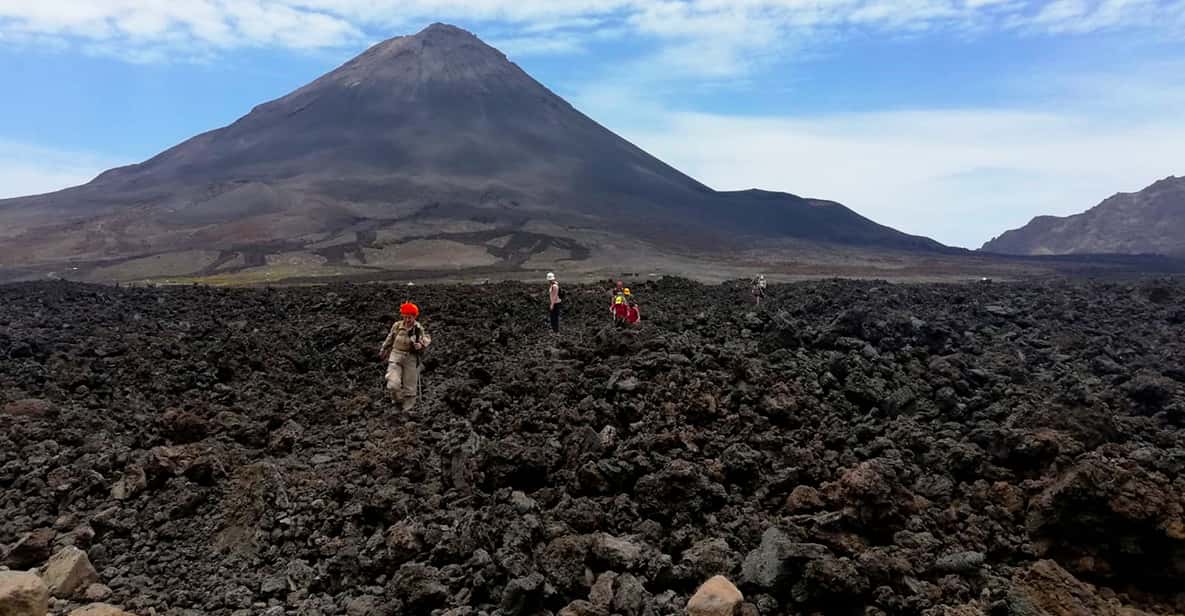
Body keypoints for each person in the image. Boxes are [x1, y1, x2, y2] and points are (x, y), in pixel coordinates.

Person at [379, 302, 432, 411]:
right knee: (393, 383)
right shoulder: (397, 326)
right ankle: (397, 400)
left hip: (410, 358)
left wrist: (420, 345)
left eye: (410, 317)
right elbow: (390, 338)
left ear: (415, 316)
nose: (408, 320)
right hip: (396, 356)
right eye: (405, 317)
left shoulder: (418, 328)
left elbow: (425, 339)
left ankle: (406, 411)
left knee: (410, 388)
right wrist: (384, 348)